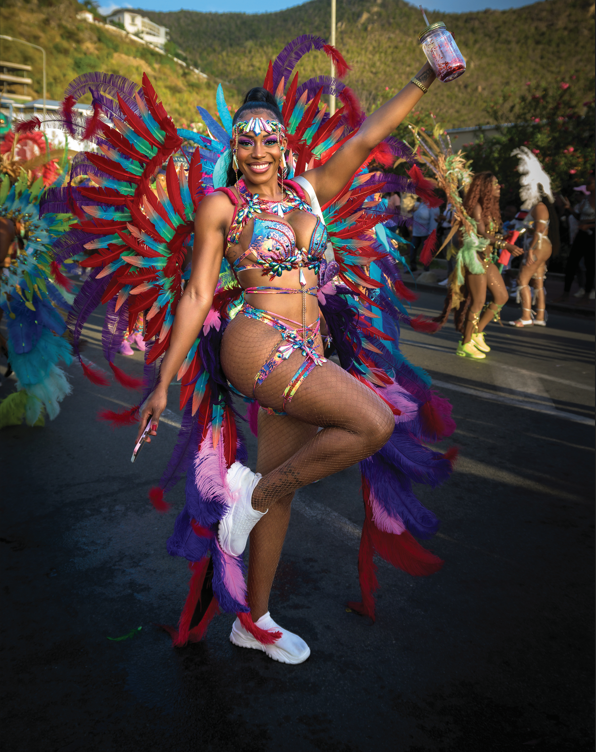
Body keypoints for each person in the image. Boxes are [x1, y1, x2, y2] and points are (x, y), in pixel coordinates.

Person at [53, 38, 456, 664]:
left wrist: (426, 75)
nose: (260, 151)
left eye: (270, 139)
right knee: (372, 421)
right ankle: (253, 494)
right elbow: (195, 292)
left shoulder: (311, 192)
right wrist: (163, 381)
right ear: (233, 150)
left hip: (309, 348)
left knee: (286, 485)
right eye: (247, 141)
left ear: (285, 144)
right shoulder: (223, 208)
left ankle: (255, 619)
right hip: (258, 344)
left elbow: (371, 133)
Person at [456, 172, 521, 358]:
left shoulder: (488, 208)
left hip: (487, 259)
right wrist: (504, 244)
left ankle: (476, 332)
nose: (498, 187)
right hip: (474, 259)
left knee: (501, 296)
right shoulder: (476, 207)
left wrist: (502, 238)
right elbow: (481, 234)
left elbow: (489, 235)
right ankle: (465, 344)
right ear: (485, 187)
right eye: (495, 184)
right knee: (477, 302)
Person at [507, 147, 560, 327]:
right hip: (541, 245)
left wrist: (530, 251)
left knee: (522, 280)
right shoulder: (540, 207)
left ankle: (526, 316)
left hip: (538, 246)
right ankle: (539, 317)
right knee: (537, 280)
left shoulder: (539, 207)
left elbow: (538, 230)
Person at [559, 170, 595, 302]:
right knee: (572, 263)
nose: (587, 185)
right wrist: (569, 208)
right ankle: (565, 293)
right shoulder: (586, 199)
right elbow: (579, 216)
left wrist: (589, 225)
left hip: (592, 235)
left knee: (590, 265)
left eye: (589, 183)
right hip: (582, 234)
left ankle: (587, 293)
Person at [410, 197, 440, 272]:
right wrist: (412, 211)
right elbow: (415, 216)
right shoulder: (419, 204)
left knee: (426, 251)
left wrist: (431, 233)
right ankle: (413, 266)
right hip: (416, 232)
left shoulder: (433, 206)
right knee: (412, 249)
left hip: (426, 233)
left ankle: (426, 269)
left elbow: (433, 221)